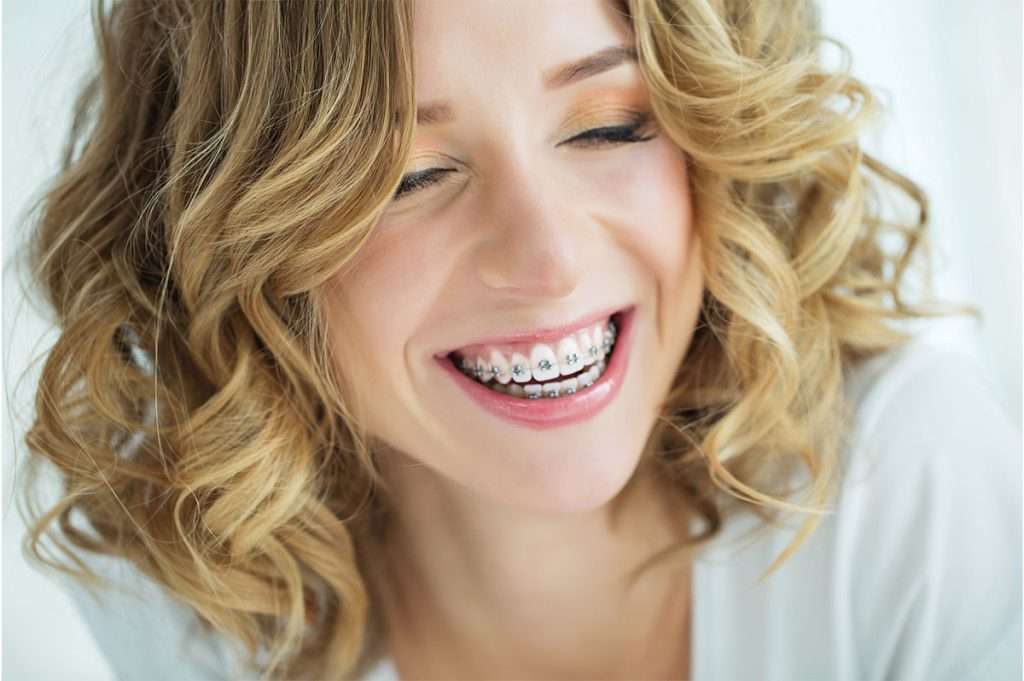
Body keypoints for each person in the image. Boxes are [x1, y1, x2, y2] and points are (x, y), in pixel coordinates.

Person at [13, 0, 1020, 679]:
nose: (545, 263)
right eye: (408, 177)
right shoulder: (182, 582)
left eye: (610, 126)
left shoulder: (906, 492)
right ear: (239, 237)